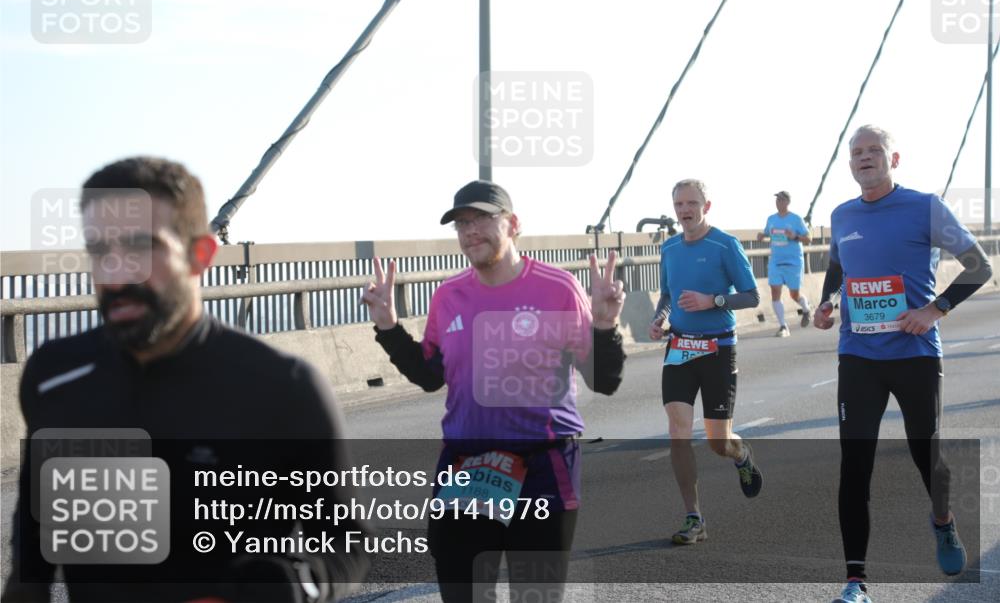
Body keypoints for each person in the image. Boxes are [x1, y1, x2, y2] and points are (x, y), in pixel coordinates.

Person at [2, 157, 371, 603]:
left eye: (142, 248)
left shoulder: (284, 387)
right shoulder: (54, 375)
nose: (117, 273)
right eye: (101, 251)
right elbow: (33, 553)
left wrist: (301, 582)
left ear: (201, 255)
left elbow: (348, 544)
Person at [362, 180, 627, 603]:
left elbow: (604, 380)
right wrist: (389, 328)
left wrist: (605, 325)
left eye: (482, 218)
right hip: (467, 468)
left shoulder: (557, 289)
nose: (471, 231)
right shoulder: (449, 295)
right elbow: (431, 376)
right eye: (462, 223)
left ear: (513, 223)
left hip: (543, 467)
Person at [814, 126, 993, 603]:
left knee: (926, 455)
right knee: (854, 465)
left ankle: (943, 521)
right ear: (849, 163)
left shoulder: (925, 207)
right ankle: (855, 582)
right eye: (857, 153)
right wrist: (827, 302)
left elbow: (980, 266)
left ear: (893, 158)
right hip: (858, 355)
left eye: (874, 151)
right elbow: (838, 266)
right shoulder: (841, 214)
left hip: (915, 353)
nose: (865, 158)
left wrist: (934, 310)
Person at [648, 179, 763, 546]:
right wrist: (659, 318)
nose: (685, 210)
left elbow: (751, 296)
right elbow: (667, 294)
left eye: (692, 203)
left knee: (717, 442)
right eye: (679, 203)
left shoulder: (724, 245)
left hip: (718, 349)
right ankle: (693, 517)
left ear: (706, 206)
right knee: (678, 429)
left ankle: (741, 453)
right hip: (680, 348)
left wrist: (712, 301)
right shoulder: (669, 248)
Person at [756, 190, 812, 337]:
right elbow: (767, 233)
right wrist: (761, 236)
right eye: (777, 200)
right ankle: (783, 326)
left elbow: (809, 238)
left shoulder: (796, 219)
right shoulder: (771, 219)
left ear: (787, 202)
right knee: (775, 292)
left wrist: (795, 236)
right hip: (775, 261)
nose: (778, 202)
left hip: (793, 262)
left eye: (781, 199)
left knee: (794, 295)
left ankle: (806, 310)